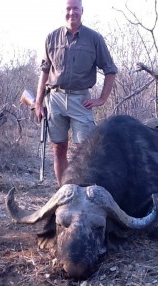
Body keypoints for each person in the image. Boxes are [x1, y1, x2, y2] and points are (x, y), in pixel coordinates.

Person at [35, 0, 117, 187]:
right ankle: (63, 192)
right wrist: (39, 103)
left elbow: (110, 70)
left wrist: (101, 99)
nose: (72, 13)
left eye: (75, 9)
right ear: (64, 11)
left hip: (81, 100)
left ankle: (82, 193)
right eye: (68, 9)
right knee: (58, 148)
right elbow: (45, 72)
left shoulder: (94, 38)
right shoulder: (51, 37)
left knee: (84, 151)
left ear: (82, 10)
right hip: (55, 98)